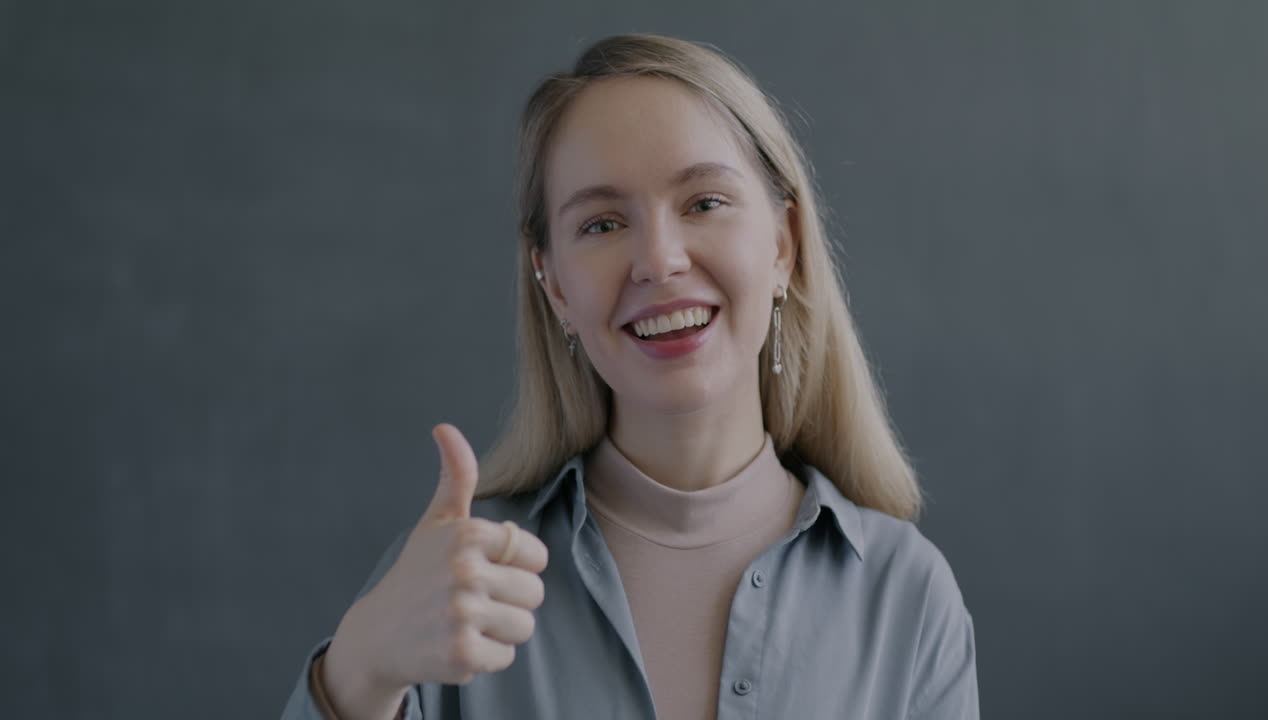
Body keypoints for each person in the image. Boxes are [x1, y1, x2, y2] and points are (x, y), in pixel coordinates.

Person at [281, 33, 978, 720]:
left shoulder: (906, 597)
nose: (658, 260)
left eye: (704, 203)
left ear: (783, 246)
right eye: (603, 224)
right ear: (553, 285)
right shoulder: (453, 580)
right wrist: (360, 668)